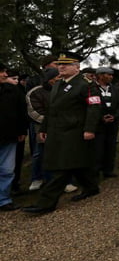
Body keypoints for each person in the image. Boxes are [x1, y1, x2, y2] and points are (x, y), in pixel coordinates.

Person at [22, 51, 102, 215]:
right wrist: (44, 128)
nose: (61, 67)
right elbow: (51, 109)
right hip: (57, 131)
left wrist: (89, 129)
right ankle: (91, 187)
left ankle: (46, 203)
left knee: (62, 168)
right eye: (59, 64)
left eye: (66, 64)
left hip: (75, 131)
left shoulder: (86, 84)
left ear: (77, 67)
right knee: (75, 164)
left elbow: (94, 107)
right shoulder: (58, 84)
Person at [0, 63, 28, 211]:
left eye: (5, 71)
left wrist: (22, 131)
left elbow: (22, 111)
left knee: (7, 169)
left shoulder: (13, 90)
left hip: (9, 137)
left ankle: (3, 200)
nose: (5, 74)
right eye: (2, 72)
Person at [25, 67, 59, 190]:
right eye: (56, 77)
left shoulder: (62, 89)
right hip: (41, 126)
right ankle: (37, 178)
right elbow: (33, 111)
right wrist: (50, 122)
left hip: (61, 126)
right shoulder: (35, 92)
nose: (59, 79)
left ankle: (63, 180)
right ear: (50, 79)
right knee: (40, 153)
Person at [94, 67, 119, 178]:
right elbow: (91, 106)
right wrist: (101, 117)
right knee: (98, 149)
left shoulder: (114, 89)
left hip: (112, 124)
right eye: (108, 75)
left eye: (112, 75)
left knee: (111, 148)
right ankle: (96, 172)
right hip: (99, 125)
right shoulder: (92, 88)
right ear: (100, 76)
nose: (111, 77)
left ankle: (108, 170)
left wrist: (115, 116)